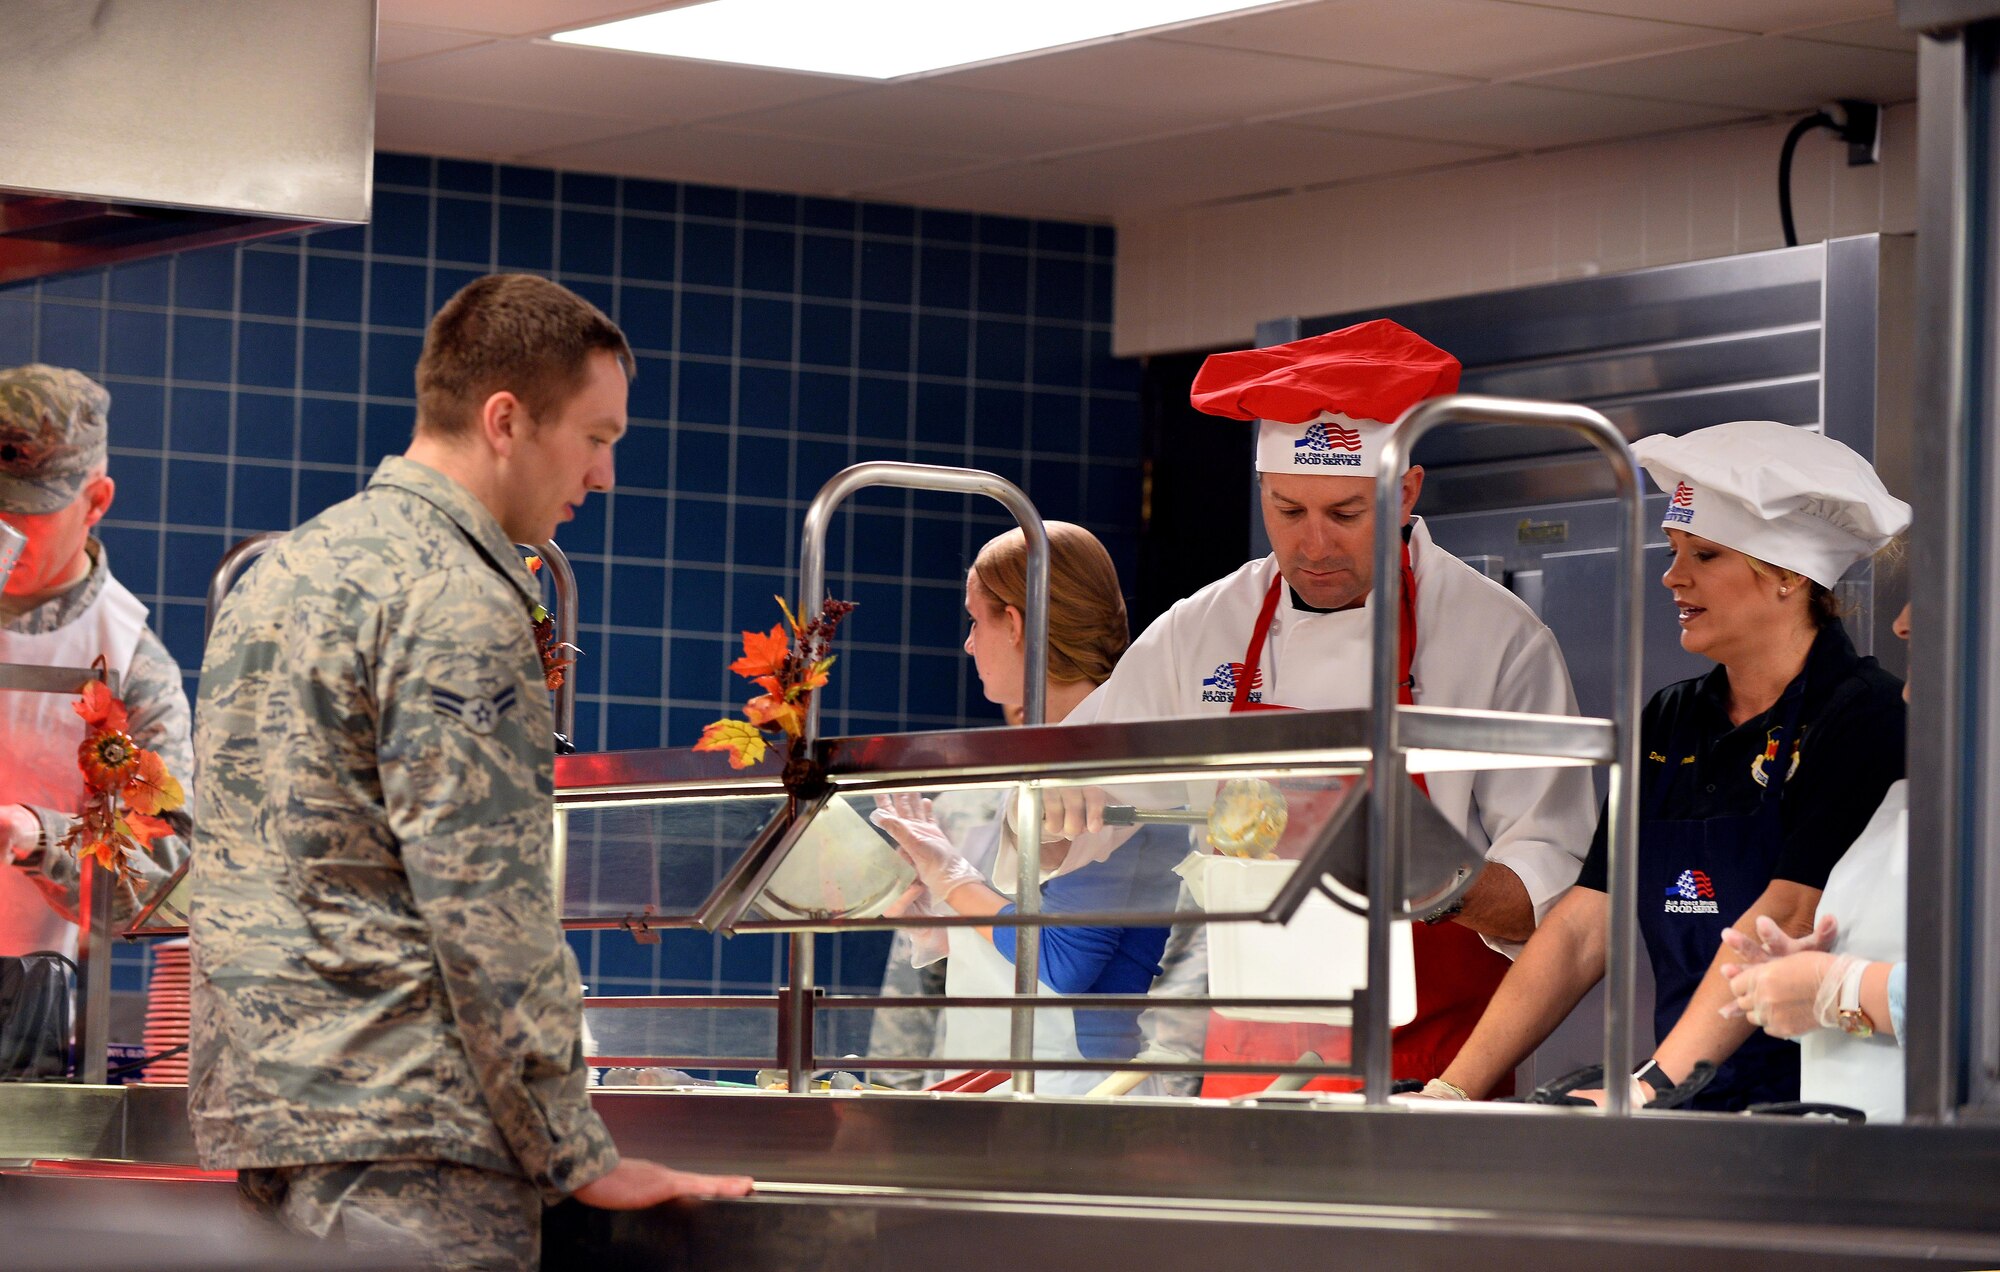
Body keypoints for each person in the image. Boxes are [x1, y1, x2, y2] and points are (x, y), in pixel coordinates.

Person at [189, 275, 750, 1272]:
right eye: (596, 436)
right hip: (414, 1134)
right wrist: (575, 1148)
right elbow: (483, 902)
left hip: (272, 1124)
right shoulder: (457, 599)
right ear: (506, 420)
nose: (607, 474)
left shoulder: (278, 574)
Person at [1046, 319, 1598, 1095]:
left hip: (1425, 1078)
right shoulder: (1207, 627)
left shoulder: (1500, 641)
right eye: (1286, 510)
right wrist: (1051, 810)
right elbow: (1075, 786)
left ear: (1406, 490)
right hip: (1244, 1066)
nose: (1311, 546)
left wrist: (1438, 881)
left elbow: (1556, 908)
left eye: (1344, 513)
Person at [1426, 420, 1909, 1111]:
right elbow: (1582, 925)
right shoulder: (1672, 718)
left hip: (1814, 1111)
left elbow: (1788, 912)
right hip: (1691, 1103)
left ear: (1788, 577)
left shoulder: (1864, 714)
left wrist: (1652, 1083)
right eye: (1674, 549)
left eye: (1705, 555)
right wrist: (1453, 1091)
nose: (1671, 576)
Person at [870, 521, 1186, 1094]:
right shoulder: (1056, 751)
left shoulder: (1109, 757)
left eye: (975, 620)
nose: (968, 643)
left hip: (1074, 1097)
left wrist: (954, 877)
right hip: (1001, 1086)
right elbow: (1021, 929)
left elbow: (1064, 962)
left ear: (1014, 624)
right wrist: (938, 915)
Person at [0, 364, 191, 955]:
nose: (4, 527)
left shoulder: (130, 664)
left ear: (96, 501)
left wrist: (37, 838)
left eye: (30, 508)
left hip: (32, 1017)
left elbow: (166, 884)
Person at [1718, 601, 1913, 1123]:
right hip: (1874, 1171)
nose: (1904, 621)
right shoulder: (1909, 800)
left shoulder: (1866, 714)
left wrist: (1844, 989)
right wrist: (1813, 971)